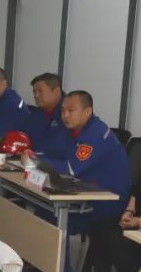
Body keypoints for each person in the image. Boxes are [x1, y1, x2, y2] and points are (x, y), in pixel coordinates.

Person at [41, 90, 130, 234]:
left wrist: (36, 162)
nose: (65, 115)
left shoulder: (95, 133)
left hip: (108, 201)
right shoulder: (74, 130)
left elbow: (71, 168)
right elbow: (57, 155)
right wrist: (38, 158)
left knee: (55, 219)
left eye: (71, 110)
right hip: (86, 191)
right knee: (43, 210)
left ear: (88, 111)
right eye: (62, 111)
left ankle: (60, 250)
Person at [86, 180, 141, 272]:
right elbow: (135, 194)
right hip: (135, 223)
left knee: (122, 244)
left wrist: (138, 221)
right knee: (101, 228)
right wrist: (129, 213)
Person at [26, 72, 64, 150]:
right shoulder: (33, 115)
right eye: (34, 92)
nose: (36, 95)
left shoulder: (72, 115)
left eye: (40, 91)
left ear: (56, 91)